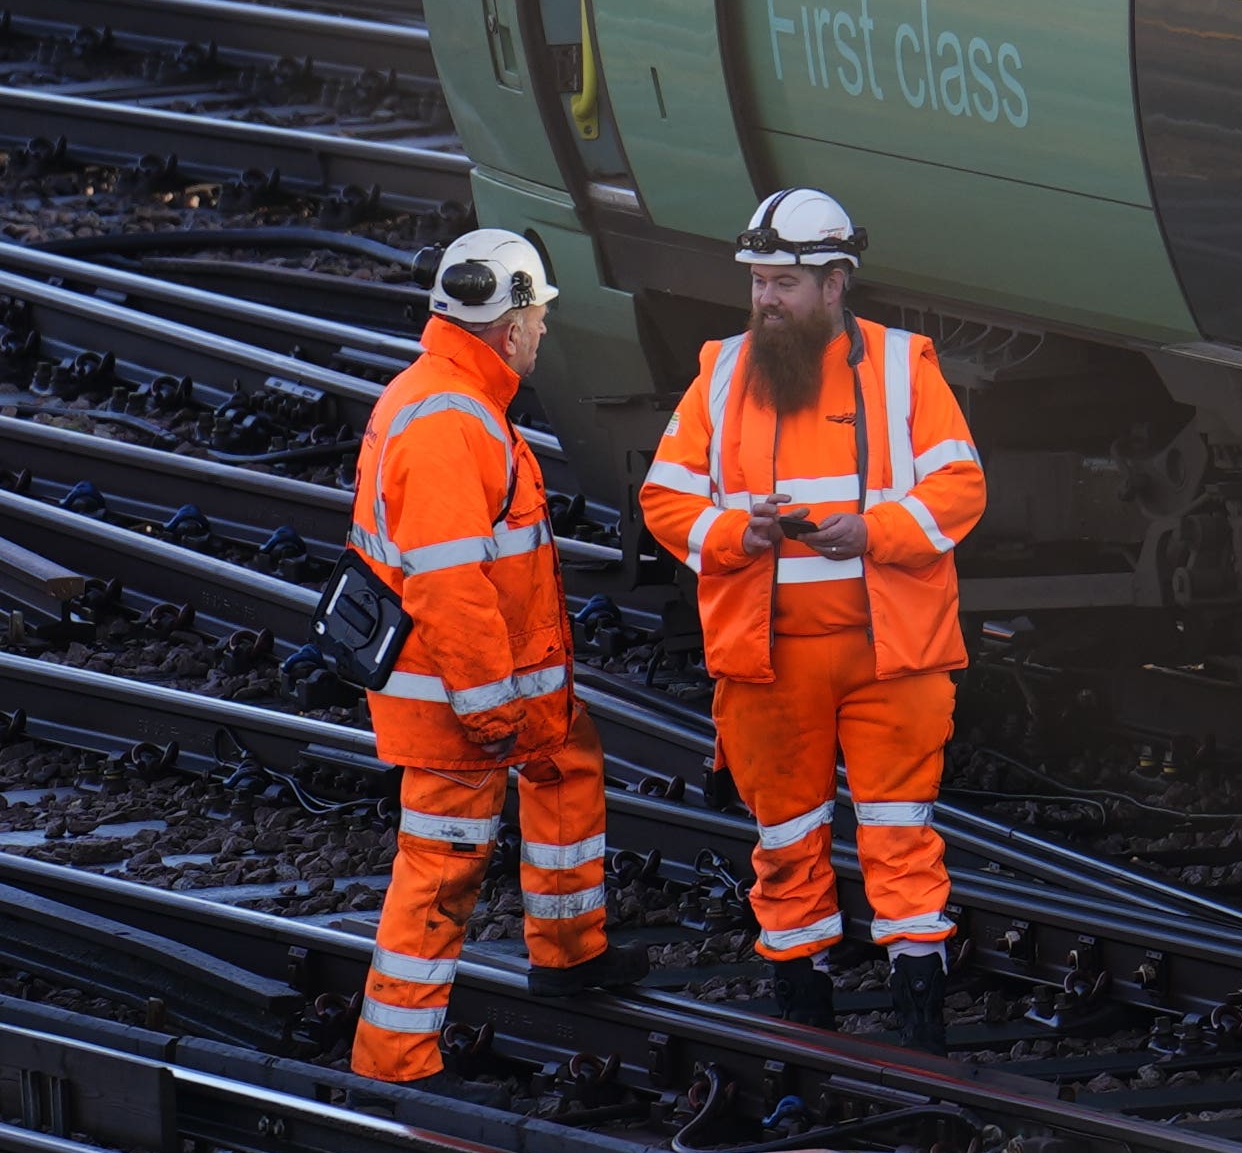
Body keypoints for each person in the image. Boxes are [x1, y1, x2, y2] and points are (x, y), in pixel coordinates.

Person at [641, 186, 990, 1033]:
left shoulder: (907, 368)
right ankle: (805, 1018)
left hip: (888, 654)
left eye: (784, 284)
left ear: (836, 286)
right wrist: (736, 530)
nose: (766, 299)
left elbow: (961, 488)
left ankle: (919, 1020)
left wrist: (871, 531)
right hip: (770, 660)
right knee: (786, 841)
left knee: (900, 833)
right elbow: (666, 499)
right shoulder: (720, 372)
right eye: (758, 281)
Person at [351, 228, 628, 1081]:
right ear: (508, 324)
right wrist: (489, 706)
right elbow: (450, 589)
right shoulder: (446, 421)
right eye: (538, 314)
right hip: (456, 698)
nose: (544, 329)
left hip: (501, 682)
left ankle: (569, 952)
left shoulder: (458, 399)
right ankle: (396, 1061)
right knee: (443, 863)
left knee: (566, 763)